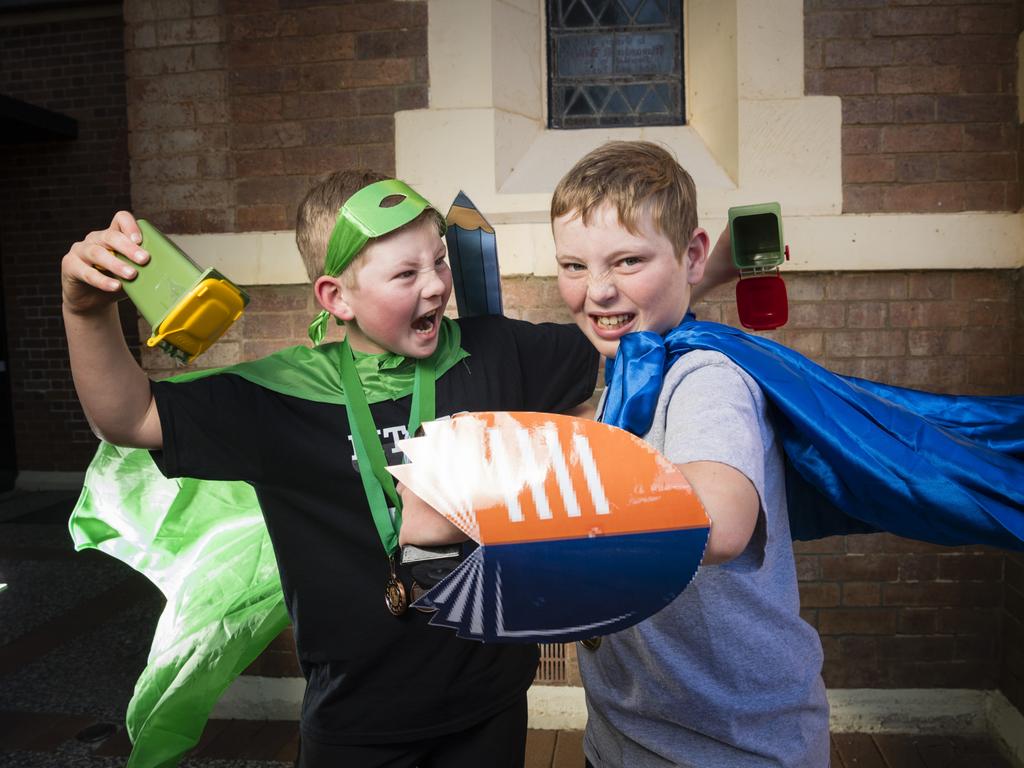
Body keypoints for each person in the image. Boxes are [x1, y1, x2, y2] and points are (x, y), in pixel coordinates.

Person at [60, 169, 601, 768]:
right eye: (405, 274)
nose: (436, 287)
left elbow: (612, 356)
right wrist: (84, 312)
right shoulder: (281, 395)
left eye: (440, 262)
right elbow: (130, 418)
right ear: (336, 297)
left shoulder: (499, 351)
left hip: (491, 701)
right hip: (356, 721)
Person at [549, 141, 830, 767]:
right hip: (629, 733)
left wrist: (540, 498)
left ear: (691, 256)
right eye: (572, 265)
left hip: (732, 744)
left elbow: (720, 522)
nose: (596, 292)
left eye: (627, 260)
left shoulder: (704, 375)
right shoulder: (627, 368)